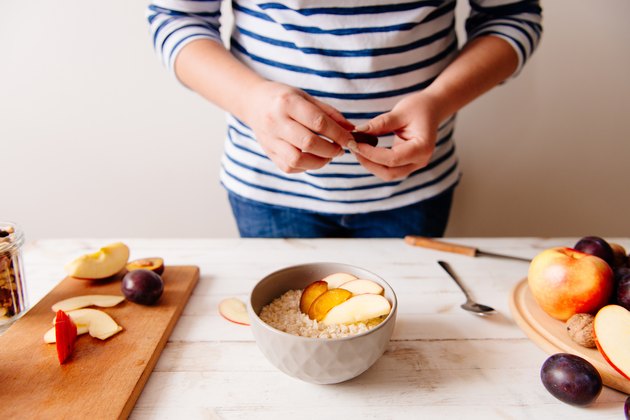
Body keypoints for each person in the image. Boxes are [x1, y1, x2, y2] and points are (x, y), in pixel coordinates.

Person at [147, 0, 542, 238]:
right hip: (269, 189)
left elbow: (511, 16)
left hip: (414, 190)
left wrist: (438, 101)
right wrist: (251, 100)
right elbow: (176, 18)